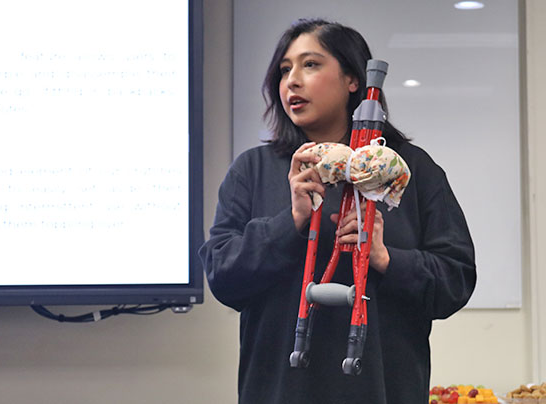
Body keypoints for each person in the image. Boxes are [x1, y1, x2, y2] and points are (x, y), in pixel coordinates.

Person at [199, 18, 476, 404]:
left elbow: (455, 282)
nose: (292, 81)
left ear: (352, 80)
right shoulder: (253, 169)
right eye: (284, 70)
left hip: (383, 389)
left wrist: (385, 258)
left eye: (310, 65)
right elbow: (223, 277)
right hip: (279, 392)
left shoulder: (407, 170)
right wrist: (290, 222)